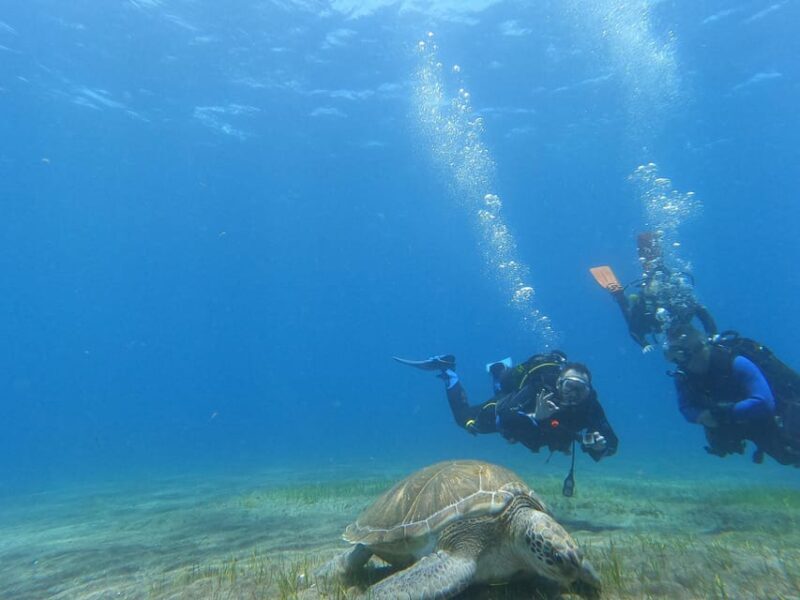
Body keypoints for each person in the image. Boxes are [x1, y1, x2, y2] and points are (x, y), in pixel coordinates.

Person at [393, 352, 618, 462]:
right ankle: (449, 371)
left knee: (501, 386)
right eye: (569, 386)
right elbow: (503, 416)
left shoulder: (590, 407)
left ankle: (498, 370)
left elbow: (612, 444)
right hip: (509, 404)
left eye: (581, 389)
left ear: (588, 391)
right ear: (558, 383)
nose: (572, 394)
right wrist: (535, 416)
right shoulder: (539, 388)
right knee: (464, 419)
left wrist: (600, 448)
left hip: (536, 431)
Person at [664, 325, 800, 466]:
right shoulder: (683, 376)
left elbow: (765, 402)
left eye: (683, 356)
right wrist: (701, 416)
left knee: (788, 452)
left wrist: (724, 413)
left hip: (773, 414)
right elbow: (685, 407)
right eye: (675, 358)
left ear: (700, 349)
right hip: (739, 418)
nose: (681, 363)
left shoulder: (734, 362)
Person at [591, 232, 717, 353]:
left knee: (658, 273)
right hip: (651, 312)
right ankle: (619, 295)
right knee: (632, 311)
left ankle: (652, 257)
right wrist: (644, 343)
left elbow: (702, 313)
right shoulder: (649, 304)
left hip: (660, 303)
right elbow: (634, 329)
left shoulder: (680, 300)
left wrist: (712, 334)